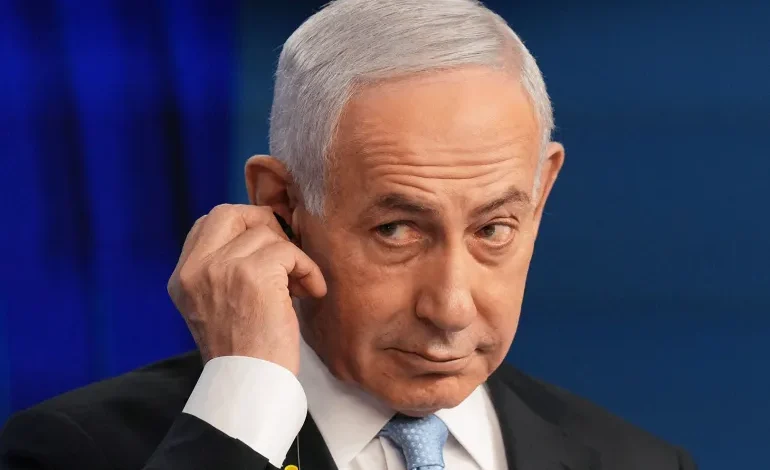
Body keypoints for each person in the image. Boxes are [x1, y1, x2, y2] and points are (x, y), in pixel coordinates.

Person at [0, 0, 697, 469]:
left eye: (493, 229)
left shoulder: (641, 463)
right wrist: (244, 404)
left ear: (541, 193)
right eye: (397, 230)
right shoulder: (67, 451)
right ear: (281, 204)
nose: (451, 308)